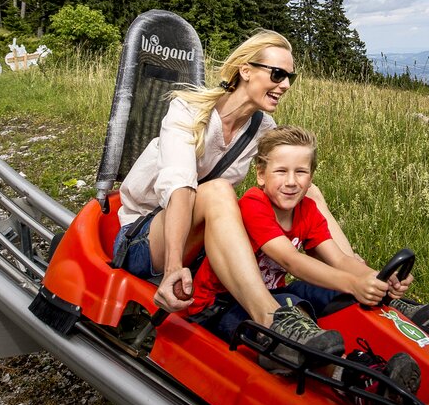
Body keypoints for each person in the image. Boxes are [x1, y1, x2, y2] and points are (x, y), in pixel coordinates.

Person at [112, 30, 344, 360]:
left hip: (201, 239)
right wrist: (173, 269)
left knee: (308, 190)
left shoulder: (263, 127)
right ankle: (270, 316)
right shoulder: (187, 111)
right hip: (145, 240)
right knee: (219, 191)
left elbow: (274, 180)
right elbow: (181, 188)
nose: (286, 85)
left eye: (290, 77)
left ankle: (361, 278)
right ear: (246, 71)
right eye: (277, 74)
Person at [189, 125, 422, 400]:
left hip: (272, 294)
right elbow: (291, 261)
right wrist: (354, 282)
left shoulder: (307, 210)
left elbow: (339, 260)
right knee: (293, 303)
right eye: (281, 171)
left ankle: (427, 338)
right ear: (261, 175)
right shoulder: (254, 204)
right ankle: (357, 376)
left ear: (311, 177)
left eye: (301, 172)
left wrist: (377, 278)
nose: (291, 181)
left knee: (334, 292)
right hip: (221, 305)